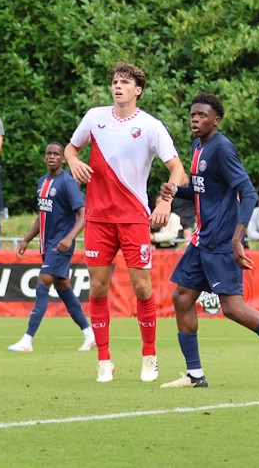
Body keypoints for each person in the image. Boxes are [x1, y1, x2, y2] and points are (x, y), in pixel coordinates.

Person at [160, 93, 259, 389]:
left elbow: (248, 193)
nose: (195, 119)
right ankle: (195, 374)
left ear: (216, 120)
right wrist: (176, 191)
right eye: (192, 114)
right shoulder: (198, 145)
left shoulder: (223, 148)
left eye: (202, 115)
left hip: (223, 241)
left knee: (233, 308)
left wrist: (238, 238)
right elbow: (203, 191)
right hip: (202, 239)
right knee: (182, 297)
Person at [65, 61, 187, 383]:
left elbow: (178, 170)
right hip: (98, 219)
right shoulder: (94, 117)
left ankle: (150, 356)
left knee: (142, 287)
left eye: (125, 82)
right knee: (98, 286)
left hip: (134, 218)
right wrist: (74, 161)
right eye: (115, 81)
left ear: (138, 90)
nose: (118, 86)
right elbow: (70, 148)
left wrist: (165, 200)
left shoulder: (150, 126)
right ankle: (104, 360)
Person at [8, 142, 94, 353]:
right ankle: (89, 334)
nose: (52, 157)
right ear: (45, 157)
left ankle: (27, 340)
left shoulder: (67, 183)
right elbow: (41, 215)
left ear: (63, 159)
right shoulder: (42, 182)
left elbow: (84, 214)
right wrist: (27, 239)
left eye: (57, 154)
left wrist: (70, 237)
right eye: (49, 154)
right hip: (47, 245)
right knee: (64, 290)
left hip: (61, 245)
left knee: (43, 282)